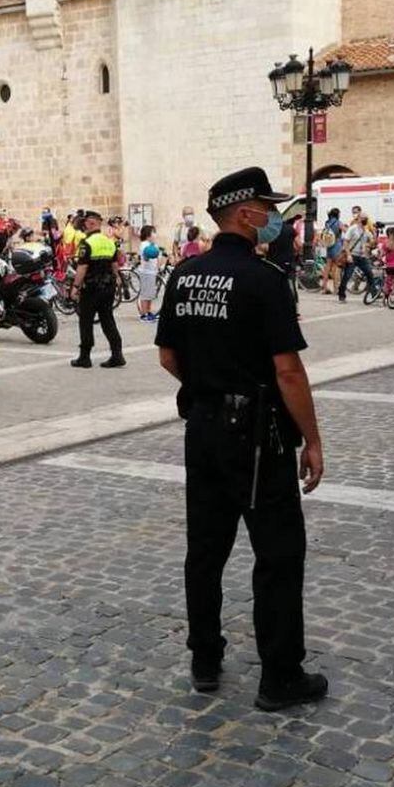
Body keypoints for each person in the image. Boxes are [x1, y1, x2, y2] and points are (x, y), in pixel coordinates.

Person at [156, 166, 327, 712]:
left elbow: (167, 356)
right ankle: (280, 676)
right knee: (277, 553)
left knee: (204, 551)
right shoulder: (264, 279)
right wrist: (312, 440)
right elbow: (289, 372)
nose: (274, 217)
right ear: (246, 213)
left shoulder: (184, 275)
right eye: (268, 208)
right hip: (257, 438)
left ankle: (205, 658)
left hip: (202, 429)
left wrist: (209, 387)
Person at [69, 211, 124, 369]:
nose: (83, 225)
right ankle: (117, 354)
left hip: (92, 288)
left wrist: (76, 287)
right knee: (107, 319)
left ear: (89, 223)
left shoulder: (87, 243)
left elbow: (82, 267)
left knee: (86, 320)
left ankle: (84, 357)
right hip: (108, 287)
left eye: (85, 222)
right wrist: (118, 280)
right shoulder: (108, 242)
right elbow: (114, 265)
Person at [338, 209, 379, 302]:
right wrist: (348, 255)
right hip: (352, 255)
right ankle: (341, 295)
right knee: (347, 276)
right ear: (359, 219)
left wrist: (375, 234)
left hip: (362, 256)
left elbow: (372, 243)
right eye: (363, 218)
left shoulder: (367, 231)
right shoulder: (353, 228)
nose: (365, 220)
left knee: (369, 273)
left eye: (366, 218)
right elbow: (346, 242)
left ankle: (374, 293)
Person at [137, 225, 161, 322]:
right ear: (148, 234)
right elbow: (146, 257)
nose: (155, 234)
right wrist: (147, 256)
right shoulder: (144, 244)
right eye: (153, 232)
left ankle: (148, 311)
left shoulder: (153, 244)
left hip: (152, 272)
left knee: (150, 294)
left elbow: (157, 256)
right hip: (145, 272)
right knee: (145, 294)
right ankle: (143, 314)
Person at [318, 208, 344, 294]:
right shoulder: (338, 223)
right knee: (336, 268)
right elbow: (345, 231)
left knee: (327, 268)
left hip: (329, 246)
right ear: (337, 214)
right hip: (337, 246)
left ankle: (324, 288)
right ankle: (336, 289)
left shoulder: (327, 223)